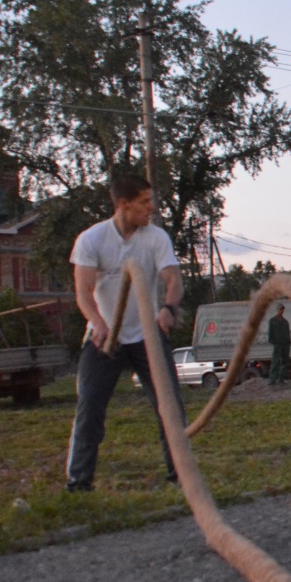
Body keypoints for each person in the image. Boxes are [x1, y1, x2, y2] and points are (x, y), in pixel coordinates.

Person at [64, 174, 186, 492]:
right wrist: (100, 324)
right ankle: (79, 480)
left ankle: (180, 474)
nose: (152, 207)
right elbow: (83, 293)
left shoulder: (156, 238)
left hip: (147, 334)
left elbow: (173, 279)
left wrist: (168, 309)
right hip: (106, 336)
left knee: (169, 403)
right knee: (89, 406)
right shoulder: (92, 239)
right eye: (145, 202)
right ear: (123, 204)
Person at [267, 303, 291, 384]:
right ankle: (272, 379)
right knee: (275, 362)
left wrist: (288, 342)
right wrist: (272, 341)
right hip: (277, 344)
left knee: (284, 362)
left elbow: (287, 333)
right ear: (277, 310)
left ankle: (281, 379)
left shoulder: (285, 322)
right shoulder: (272, 321)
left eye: (282, 309)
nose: (281, 311)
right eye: (280, 309)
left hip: (285, 344)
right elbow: (270, 333)